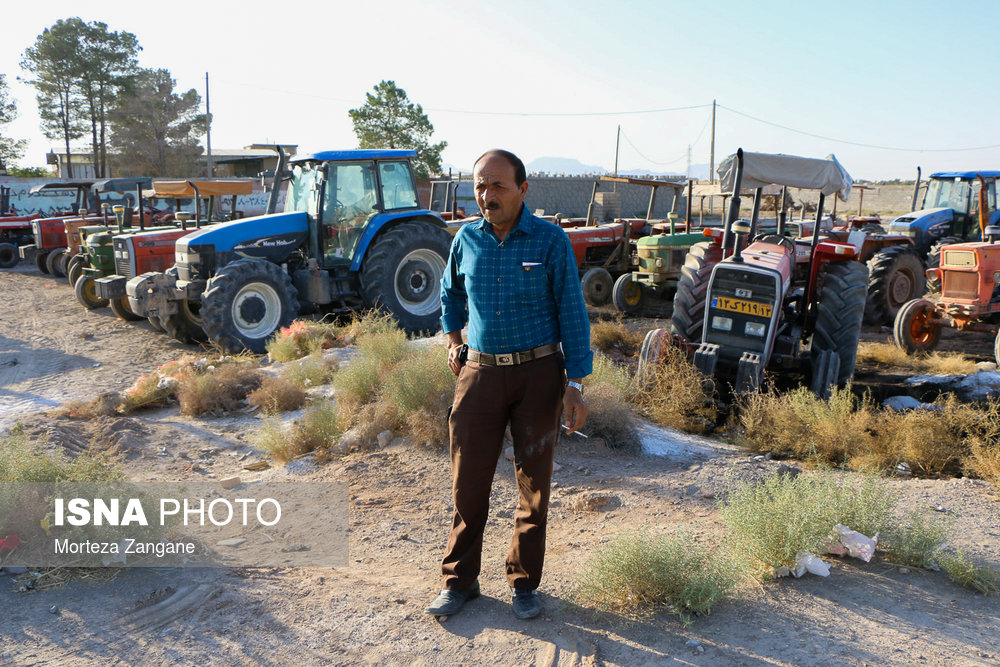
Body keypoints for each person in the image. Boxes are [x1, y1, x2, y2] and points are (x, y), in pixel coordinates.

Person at [425, 149, 592, 620]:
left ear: (523, 189)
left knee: (533, 485)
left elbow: (572, 313)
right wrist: (453, 341)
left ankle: (523, 583)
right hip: (478, 374)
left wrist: (575, 383)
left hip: (538, 375)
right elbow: (450, 295)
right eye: (480, 186)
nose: (486, 195)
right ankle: (459, 581)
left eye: (497, 186)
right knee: (468, 483)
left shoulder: (549, 241)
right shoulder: (466, 240)